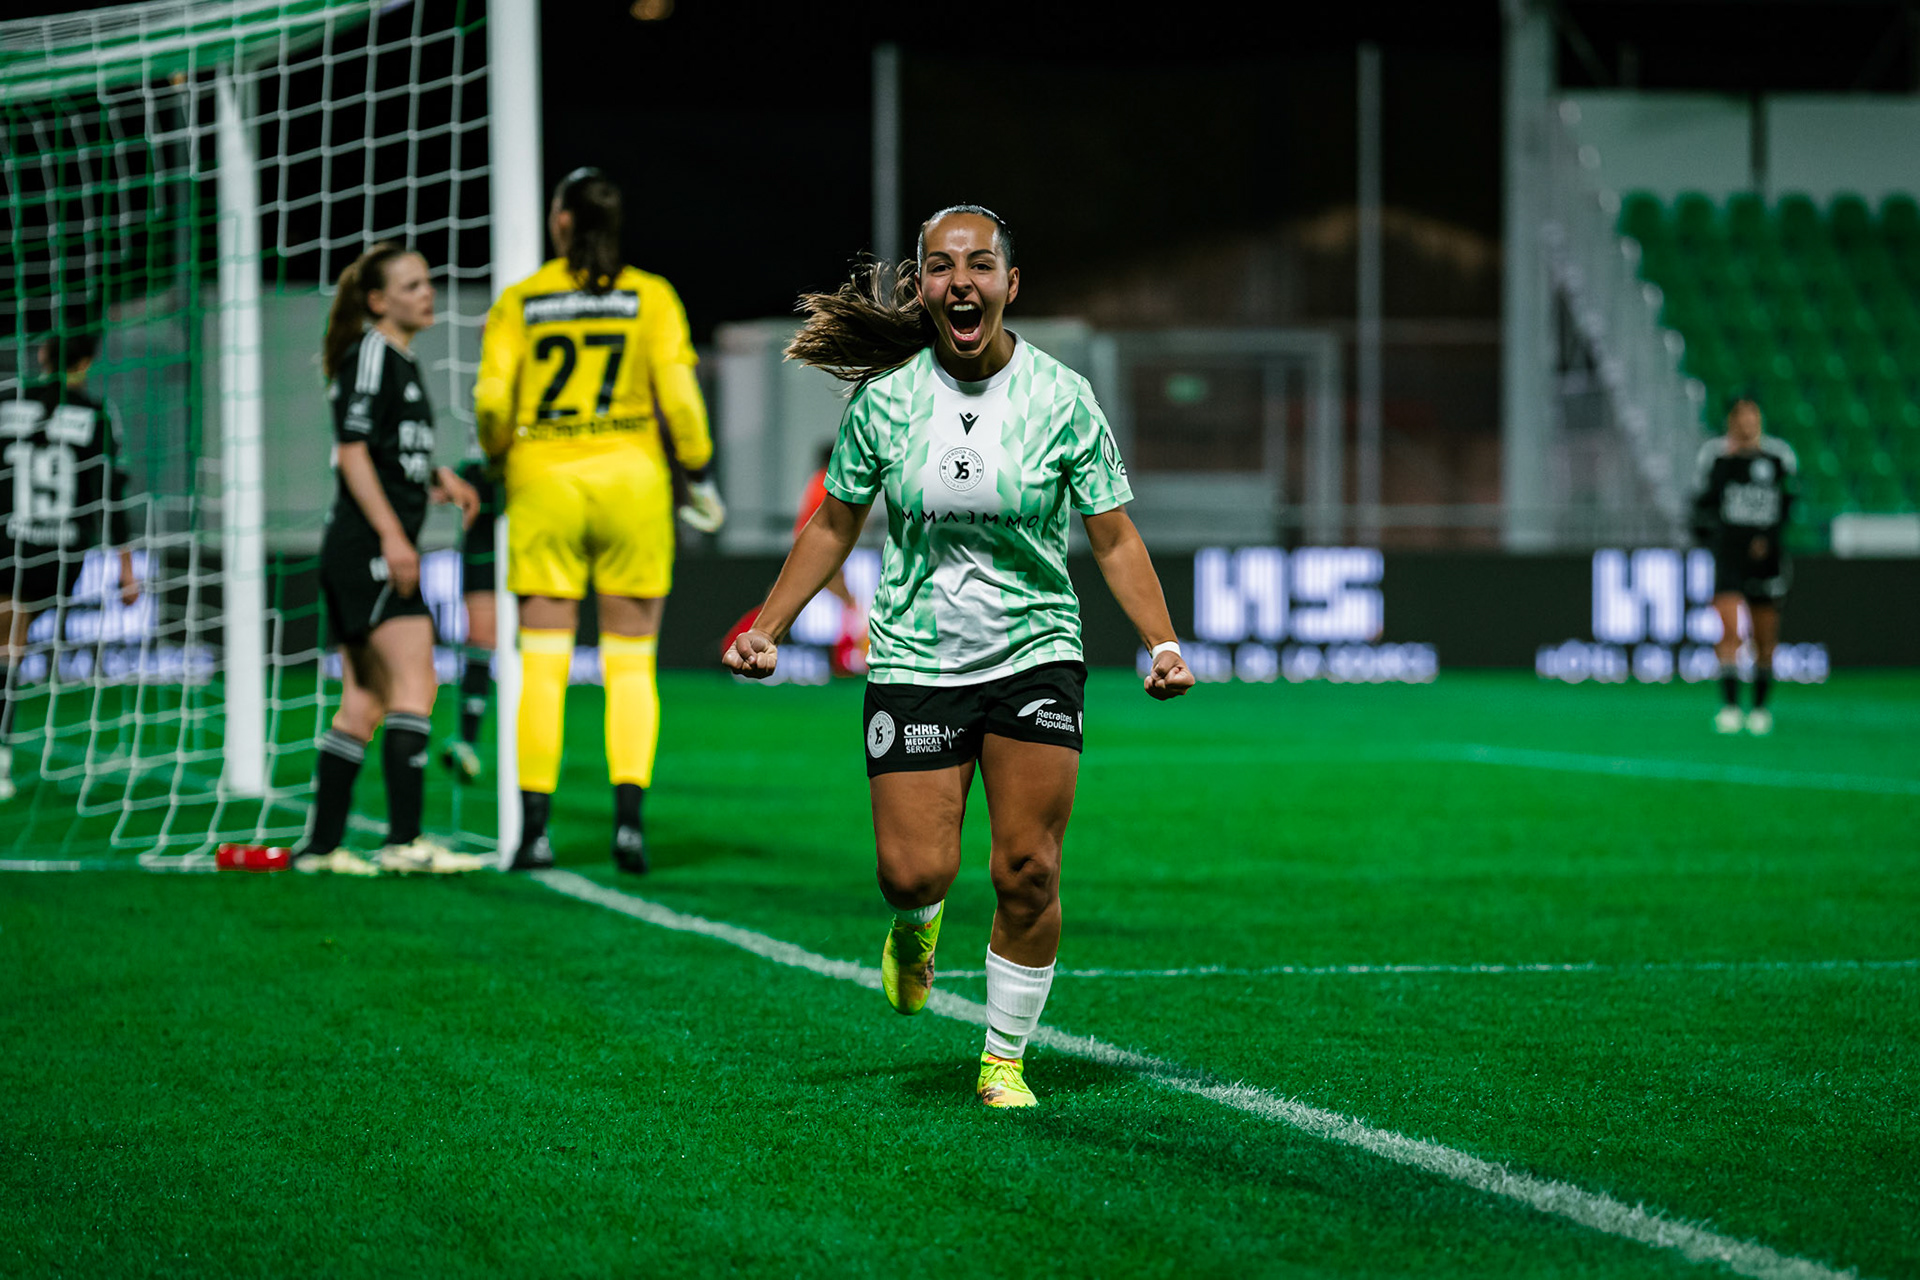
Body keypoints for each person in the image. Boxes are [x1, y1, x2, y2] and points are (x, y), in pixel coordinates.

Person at [724, 205, 1195, 1109]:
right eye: (941, 267)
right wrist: (770, 626)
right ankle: (916, 926)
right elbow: (834, 524)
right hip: (915, 660)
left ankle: (1004, 1059)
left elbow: (1114, 535)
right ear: (923, 288)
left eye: (980, 265)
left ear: (1011, 285)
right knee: (913, 872)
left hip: (1035, 652)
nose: (961, 282)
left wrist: (1161, 641)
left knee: (1029, 869)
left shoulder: (1061, 398)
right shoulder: (889, 401)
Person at [475, 167, 724, 874]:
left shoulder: (522, 302)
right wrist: (699, 475)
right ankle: (628, 830)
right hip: (633, 487)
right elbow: (680, 400)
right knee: (630, 665)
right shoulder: (650, 297)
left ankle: (534, 834)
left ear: (559, 222)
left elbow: (493, 405)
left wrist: (501, 463)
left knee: (545, 668)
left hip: (544, 484)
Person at [294, 243, 487, 875]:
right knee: (417, 683)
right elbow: (350, 452)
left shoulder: (396, 360)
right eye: (410, 286)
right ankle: (404, 843)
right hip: (369, 549)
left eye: (427, 283)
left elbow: (382, 450)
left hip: (358, 551)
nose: (426, 294)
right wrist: (394, 538)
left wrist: (436, 477)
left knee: (365, 702)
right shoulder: (372, 356)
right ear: (378, 301)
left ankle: (321, 849)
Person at [0, 326, 141, 801]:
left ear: (42, 354)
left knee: (5, 642)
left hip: (8, 540)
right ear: (88, 362)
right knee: (10, 644)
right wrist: (126, 566)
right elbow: (110, 495)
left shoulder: (8, 401)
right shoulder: (96, 415)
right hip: (60, 552)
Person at [1691, 393, 1796, 736]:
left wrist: (1768, 539)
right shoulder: (1716, 456)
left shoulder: (1779, 456)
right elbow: (1701, 505)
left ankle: (1761, 709)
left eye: (1752, 415)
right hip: (1729, 559)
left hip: (1767, 561)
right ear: (1731, 421)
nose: (1747, 422)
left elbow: (1788, 506)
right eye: (1741, 416)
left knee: (1766, 637)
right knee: (1730, 631)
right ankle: (1731, 707)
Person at [440, 456, 500, 781]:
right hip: (486, 492)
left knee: (539, 640)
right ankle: (468, 741)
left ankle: (538, 749)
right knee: (481, 638)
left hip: (531, 486)